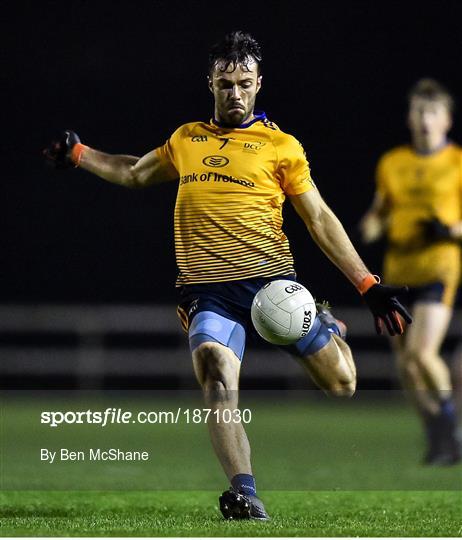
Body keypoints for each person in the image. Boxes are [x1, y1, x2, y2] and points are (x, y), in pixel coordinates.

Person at [44, 31, 411, 520]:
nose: (234, 93)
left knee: (343, 386)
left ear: (259, 83)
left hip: (273, 289)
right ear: (210, 84)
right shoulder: (186, 139)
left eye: (243, 83)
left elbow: (319, 218)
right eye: (224, 83)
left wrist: (367, 284)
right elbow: (133, 172)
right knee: (216, 372)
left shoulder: (281, 147)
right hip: (207, 292)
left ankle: (326, 322)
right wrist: (79, 155)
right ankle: (245, 492)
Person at [360, 78, 462, 465]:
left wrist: (450, 230)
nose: (424, 120)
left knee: (421, 353)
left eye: (432, 112)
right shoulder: (392, 162)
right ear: (409, 117)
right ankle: (437, 433)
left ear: (447, 120)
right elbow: (380, 210)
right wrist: (371, 225)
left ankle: (449, 423)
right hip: (398, 270)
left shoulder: (456, 163)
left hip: (438, 265)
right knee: (404, 364)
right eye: (419, 111)